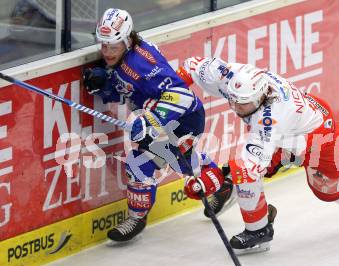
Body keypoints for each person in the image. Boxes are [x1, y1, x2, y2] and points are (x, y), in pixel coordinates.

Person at [181, 57, 339, 254]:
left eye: (244, 103)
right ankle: (259, 231)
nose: (237, 107)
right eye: (234, 101)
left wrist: (212, 180)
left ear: (260, 97)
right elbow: (192, 65)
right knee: (244, 171)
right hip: (292, 129)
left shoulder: (271, 119)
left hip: (319, 139)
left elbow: (250, 166)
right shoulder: (231, 77)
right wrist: (171, 97)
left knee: (331, 192)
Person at [82, 9, 234, 242]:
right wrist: (104, 83)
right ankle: (221, 186)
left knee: (158, 161)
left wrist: (151, 123)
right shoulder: (128, 56)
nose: (107, 52)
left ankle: (221, 186)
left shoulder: (140, 64)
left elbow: (181, 96)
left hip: (183, 119)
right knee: (148, 163)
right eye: (103, 45)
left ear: (128, 40)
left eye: (112, 46)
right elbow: (129, 91)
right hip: (163, 119)